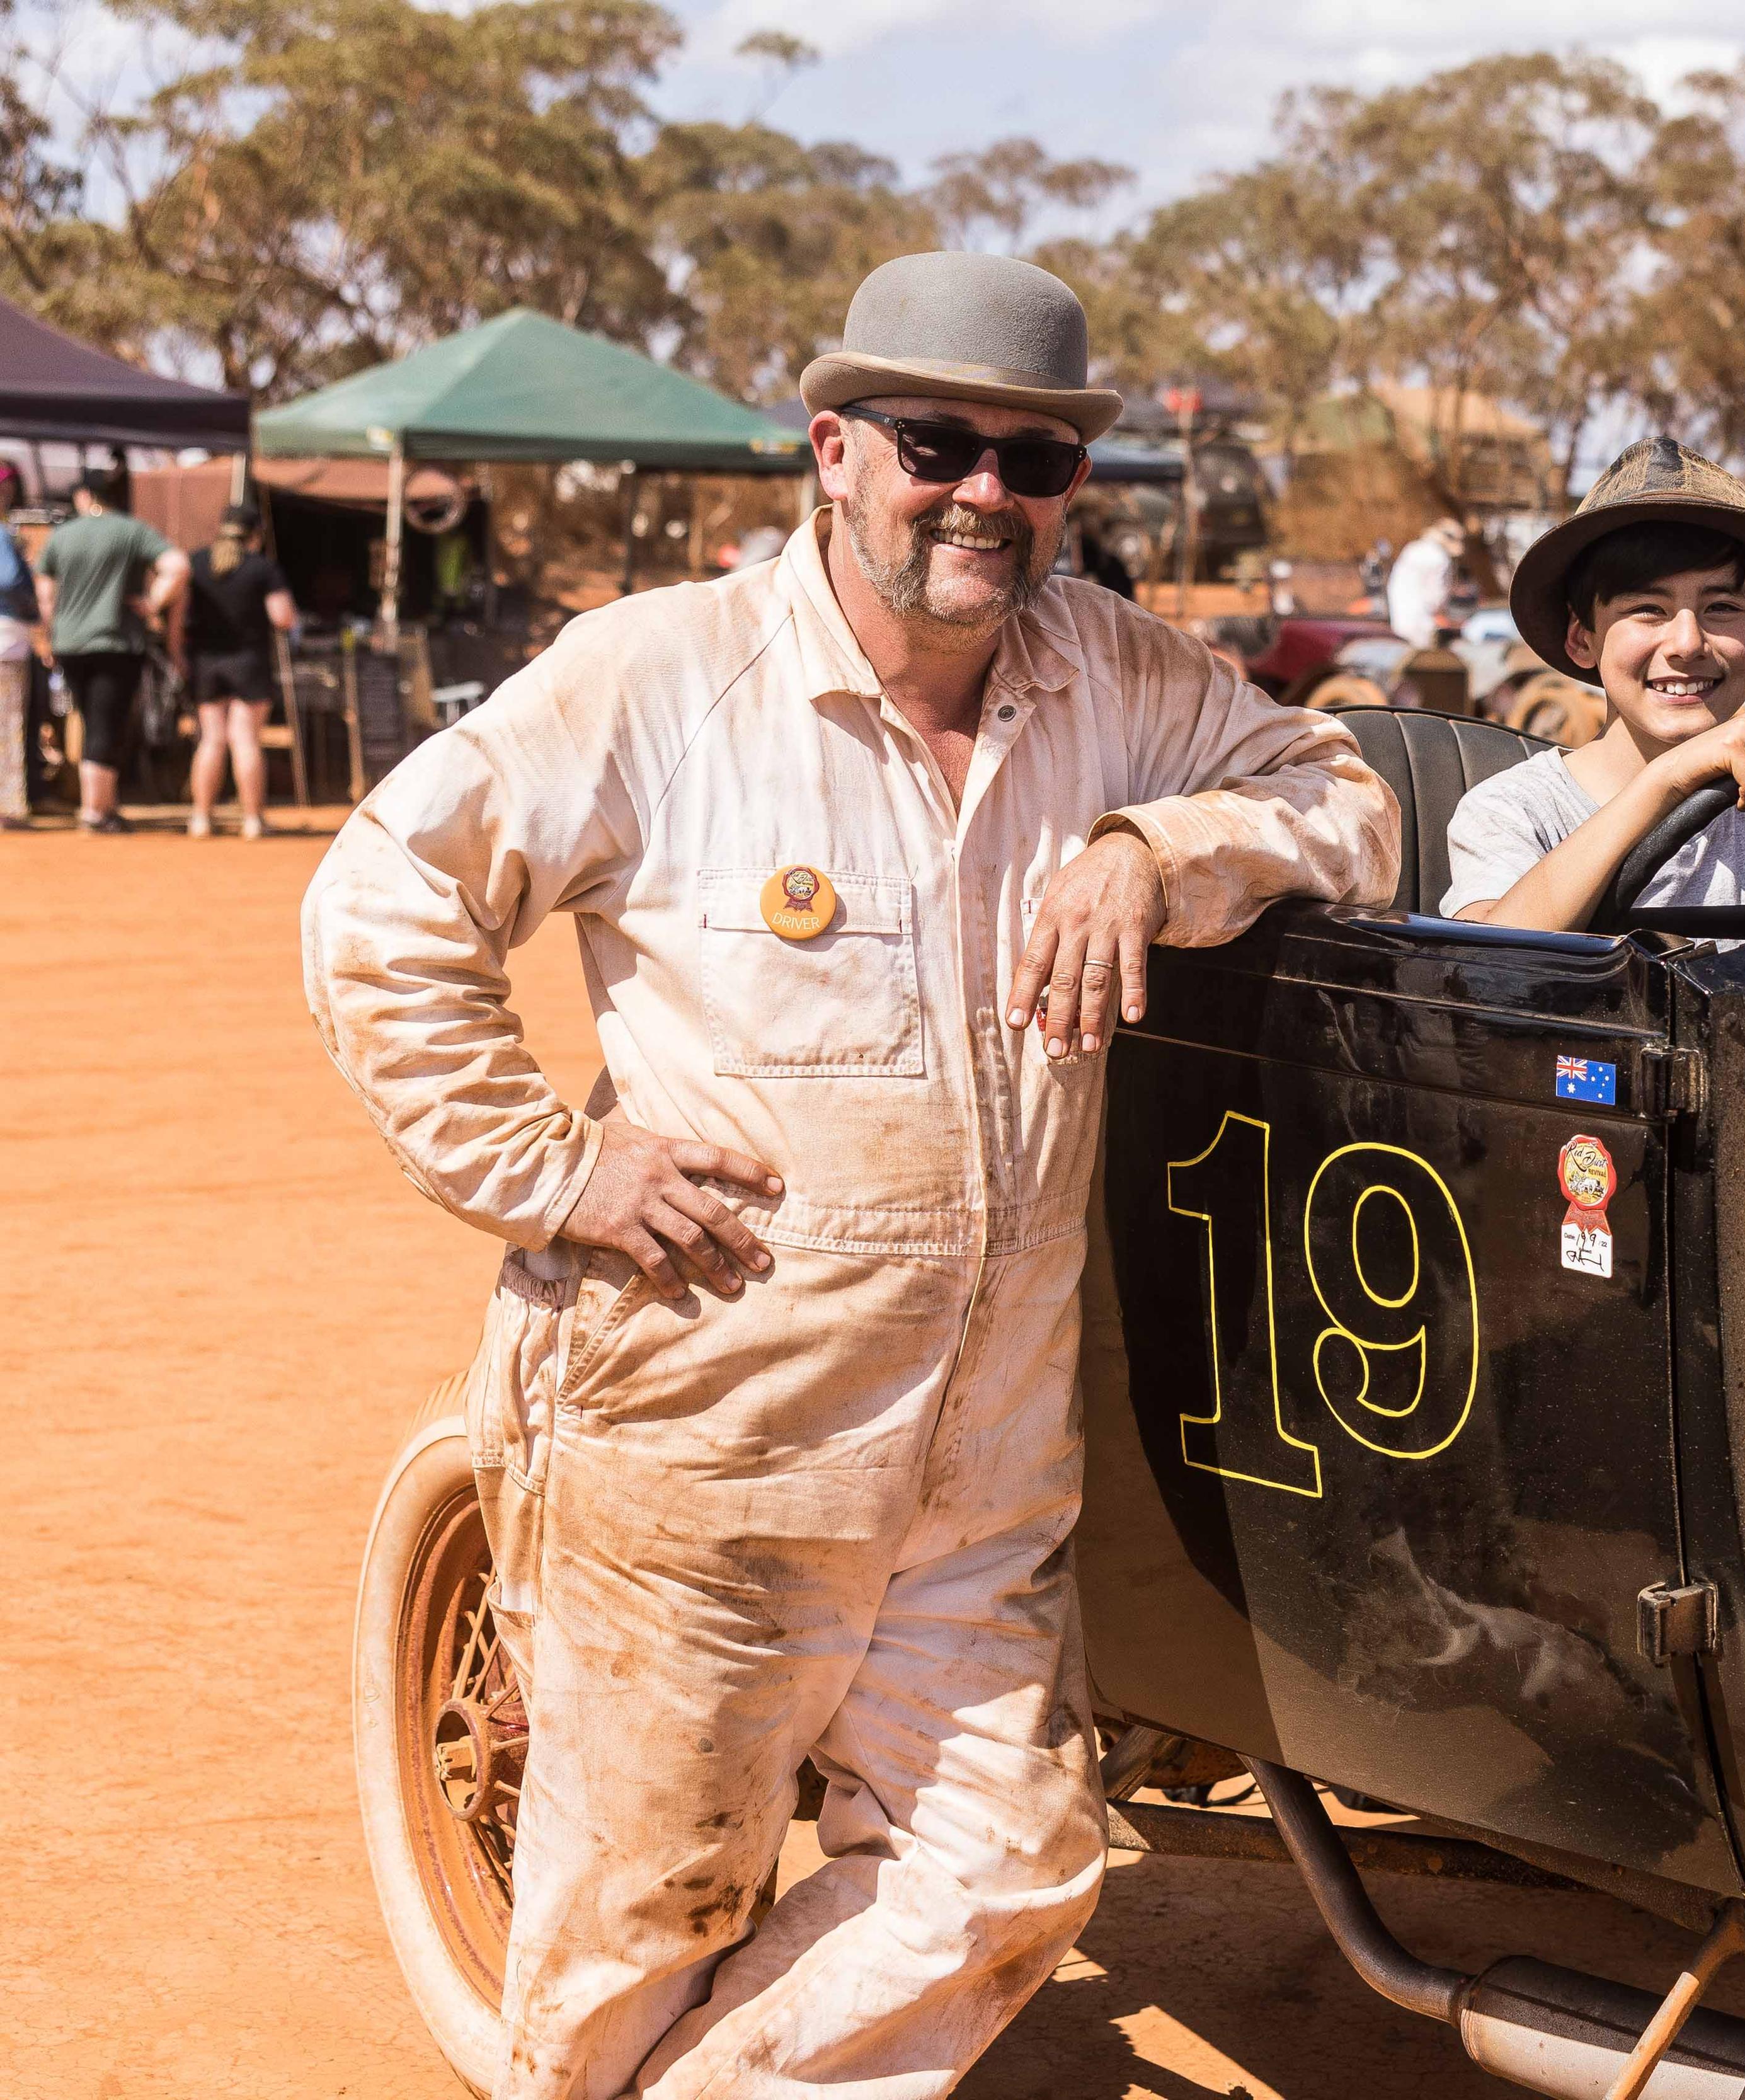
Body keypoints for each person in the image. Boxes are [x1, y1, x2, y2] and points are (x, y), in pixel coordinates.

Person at [300, 250, 1397, 2100]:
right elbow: (383, 903)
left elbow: (1342, 798)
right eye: (936, 443)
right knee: (633, 1943)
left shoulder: (1122, 681)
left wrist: (1156, 845)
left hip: (978, 1489)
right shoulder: (659, 675)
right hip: (708, 1458)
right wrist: (550, 1167)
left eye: (1033, 459)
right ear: (833, 448)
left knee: (1009, 1877)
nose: (983, 490)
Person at [1443, 436, 1745, 931]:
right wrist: (1667, 780)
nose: (1687, 643)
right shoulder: (1513, 811)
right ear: (1581, 639)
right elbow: (1487, 969)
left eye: (1722, 608)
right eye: (1647, 610)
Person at [33, 469, 188, 832]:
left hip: (70, 644)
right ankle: (94, 812)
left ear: (84, 496)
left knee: (91, 719)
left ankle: (104, 804)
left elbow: (44, 593)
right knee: (107, 724)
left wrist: (49, 637)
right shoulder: (130, 530)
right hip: (116, 642)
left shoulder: (62, 535)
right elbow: (177, 566)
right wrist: (153, 603)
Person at [184, 503, 297, 838]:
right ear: (256, 534)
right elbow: (283, 617)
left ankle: (201, 818)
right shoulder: (262, 568)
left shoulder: (197, 563)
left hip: (206, 662)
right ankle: (252, 820)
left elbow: (178, 612)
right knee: (246, 739)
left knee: (212, 740)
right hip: (249, 662)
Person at [0, 461, 33, 827]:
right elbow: (8, 578)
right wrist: (31, 604)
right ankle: (7, 807)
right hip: (5, 639)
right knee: (6, 725)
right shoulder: (2, 534)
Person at [1383, 516, 1464, 648]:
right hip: (1423, 624)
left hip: (1400, 620)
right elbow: (1436, 598)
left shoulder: (1412, 549)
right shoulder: (1440, 558)